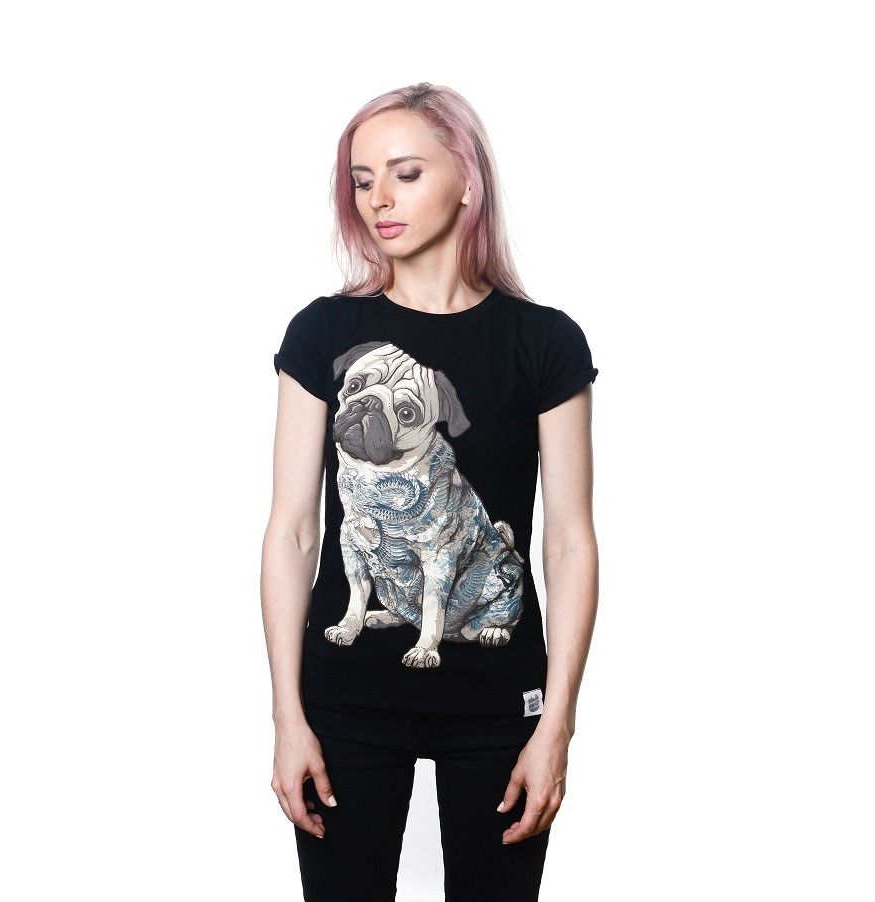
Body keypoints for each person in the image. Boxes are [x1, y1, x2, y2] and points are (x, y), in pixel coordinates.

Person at [261, 82, 600, 902]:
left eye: (405, 173)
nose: (377, 197)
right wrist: (286, 716)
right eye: (361, 179)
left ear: (467, 181)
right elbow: (294, 531)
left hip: (497, 701)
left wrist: (556, 724)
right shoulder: (323, 331)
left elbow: (568, 541)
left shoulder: (543, 341)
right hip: (345, 702)